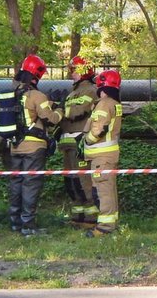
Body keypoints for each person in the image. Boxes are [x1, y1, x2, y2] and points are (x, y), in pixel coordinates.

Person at [8, 54, 60, 236]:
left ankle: (15, 222)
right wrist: (59, 109)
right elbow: (50, 119)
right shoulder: (37, 95)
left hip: (15, 146)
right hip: (34, 147)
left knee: (16, 183)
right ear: (37, 74)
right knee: (31, 184)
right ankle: (28, 226)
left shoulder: (13, 94)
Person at [57, 55, 99, 228]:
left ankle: (90, 218)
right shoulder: (72, 92)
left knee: (83, 181)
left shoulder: (91, 90)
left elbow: (78, 111)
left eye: (74, 70)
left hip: (80, 142)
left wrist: (60, 108)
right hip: (67, 144)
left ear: (84, 70)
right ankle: (77, 216)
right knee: (71, 181)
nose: (71, 73)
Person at [82, 69, 123, 237]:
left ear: (101, 86)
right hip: (109, 155)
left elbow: (98, 128)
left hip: (101, 156)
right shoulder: (114, 103)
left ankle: (104, 228)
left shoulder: (104, 103)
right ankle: (111, 223)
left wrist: (87, 141)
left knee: (103, 191)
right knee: (109, 189)